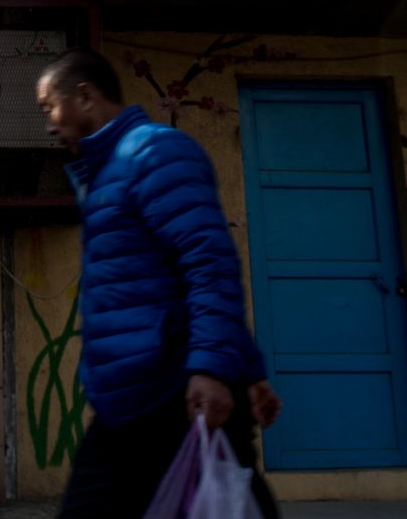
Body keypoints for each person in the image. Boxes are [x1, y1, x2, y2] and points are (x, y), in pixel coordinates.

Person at [35, 47, 282, 519]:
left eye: (50, 107)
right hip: (131, 397)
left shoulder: (152, 153)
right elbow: (172, 278)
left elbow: (208, 264)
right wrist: (247, 371)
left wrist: (214, 369)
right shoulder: (105, 172)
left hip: (172, 392)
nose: (49, 124)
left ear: (85, 96)